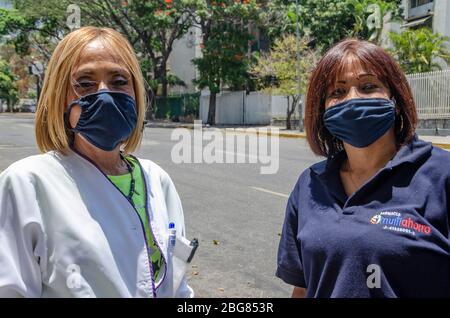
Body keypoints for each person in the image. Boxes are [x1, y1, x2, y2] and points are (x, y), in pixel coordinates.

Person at [0, 26, 194, 298]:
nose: (104, 94)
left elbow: (177, 288)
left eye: (118, 81)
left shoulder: (157, 180)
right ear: (60, 95)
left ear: (135, 93)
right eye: (85, 83)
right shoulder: (27, 183)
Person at [276, 38, 450, 298]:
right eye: (337, 92)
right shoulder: (310, 184)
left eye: (368, 86)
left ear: (395, 98)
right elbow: (302, 288)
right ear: (321, 109)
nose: (352, 100)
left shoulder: (441, 175)